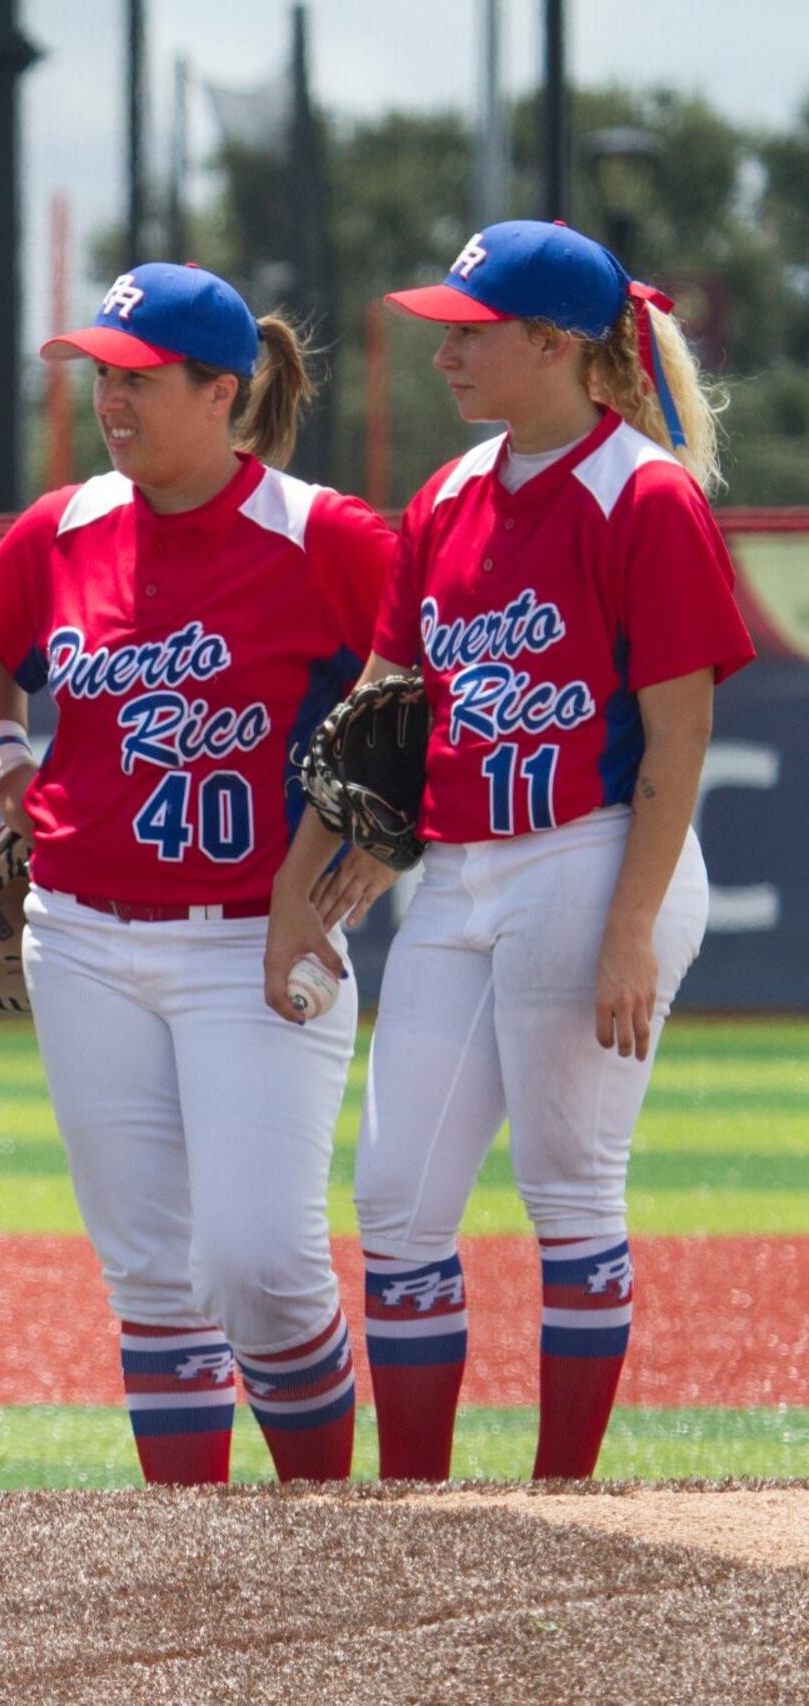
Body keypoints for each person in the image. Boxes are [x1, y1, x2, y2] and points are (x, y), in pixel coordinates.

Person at [316, 220, 752, 1480]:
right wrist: (362, 845)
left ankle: (561, 1495)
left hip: (593, 851)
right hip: (454, 867)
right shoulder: (447, 496)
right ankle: (417, 1511)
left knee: (567, 1187)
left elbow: (681, 729)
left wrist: (630, 924)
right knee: (396, 1199)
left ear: (554, 345)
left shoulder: (642, 493)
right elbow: (391, 691)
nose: (442, 353)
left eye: (469, 332)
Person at [0, 265, 392, 1486]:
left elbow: (420, 689)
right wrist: (2, 762)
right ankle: (187, 1564)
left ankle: (322, 1540)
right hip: (82, 936)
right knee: (150, 1270)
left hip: (253, 936)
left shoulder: (324, 536)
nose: (111, 399)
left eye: (139, 377)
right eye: (102, 374)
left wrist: (368, 842)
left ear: (221, 390)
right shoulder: (64, 525)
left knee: (259, 1258)